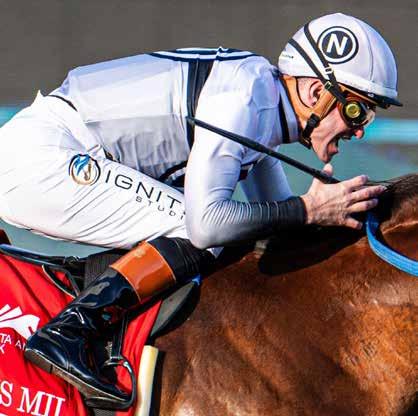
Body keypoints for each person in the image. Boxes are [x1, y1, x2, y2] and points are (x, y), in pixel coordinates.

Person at [0, 12, 400, 408]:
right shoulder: (244, 99)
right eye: (356, 110)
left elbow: (278, 230)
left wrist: (329, 215)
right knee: (197, 229)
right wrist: (307, 209)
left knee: (216, 230)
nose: (361, 128)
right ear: (315, 93)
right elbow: (208, 226)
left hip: (54, 150)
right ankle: (69, 331)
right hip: (43, 157)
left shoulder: (261, 101)